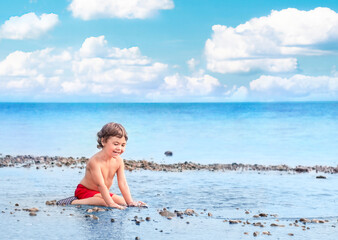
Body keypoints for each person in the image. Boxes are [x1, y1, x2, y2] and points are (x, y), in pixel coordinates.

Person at [58, 122, 146, 209]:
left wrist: (130, 202)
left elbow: (122, 183)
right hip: (84, 191)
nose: (119, 148)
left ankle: (115, 201)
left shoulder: (119, 161)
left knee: (123, 201)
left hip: (101, 192)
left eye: (123, 145)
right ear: (103, 141)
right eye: (116, 144)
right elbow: (101, 185)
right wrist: (111, 204)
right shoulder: (95, 162)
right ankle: (73, 201)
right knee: (104, 202)